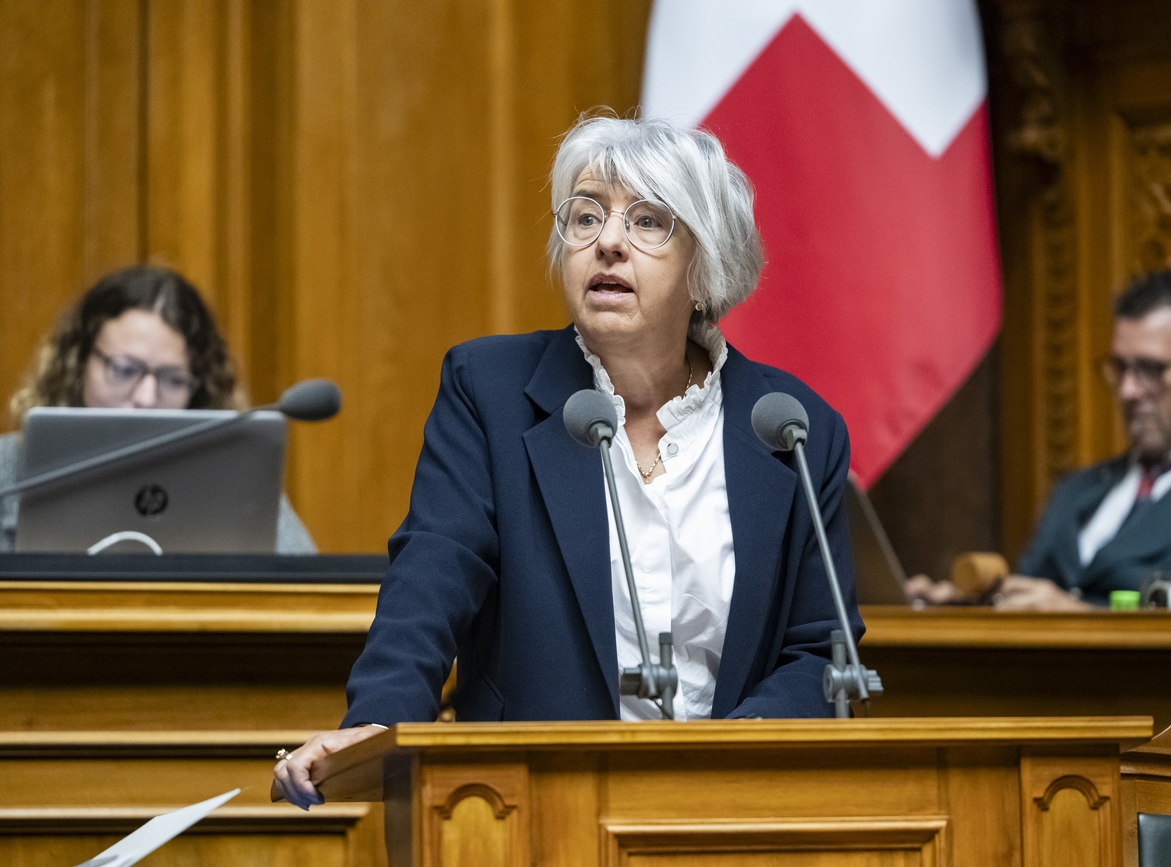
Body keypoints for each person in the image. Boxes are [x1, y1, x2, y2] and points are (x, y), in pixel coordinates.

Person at [274, 114, 861, 808]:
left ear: (705, 265)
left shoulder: (793, 427)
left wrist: (717, 770)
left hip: (729, 808)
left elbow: (820, 651)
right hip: (530, 805)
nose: (607, 242)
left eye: (648, 222)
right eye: (585, 217)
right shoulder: (490, 390)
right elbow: (434, 571)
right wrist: (376, 719)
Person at [908, 268, 1171, 610]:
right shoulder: (1079, 491)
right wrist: (964, 607)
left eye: (1151, 370)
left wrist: (1080, 618)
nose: (1128, 390)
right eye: (1120, 368)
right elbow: (1026, 606)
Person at [0, 265, 316, 554]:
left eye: (172, 379)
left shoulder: (234, 476)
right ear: (78, 364)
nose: (145, 397)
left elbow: (305, 595)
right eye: (125, 370)